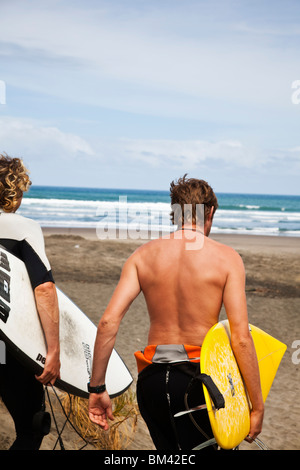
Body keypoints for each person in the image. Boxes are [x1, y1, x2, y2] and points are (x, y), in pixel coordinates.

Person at [88, 175, 264, 450]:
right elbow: (240, 338)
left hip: (152, 382)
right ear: (211, 212)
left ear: (176, 213)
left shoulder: (142, 256)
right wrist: (256, 407)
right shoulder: (227, 258)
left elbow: (108, 322)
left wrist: (97, 388)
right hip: (201, 384)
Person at [0, 154, 60, 450]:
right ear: (15, 191)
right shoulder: (23, 227)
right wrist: (54, 350)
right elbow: (45, 289)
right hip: (11, 347)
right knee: (30, 428)